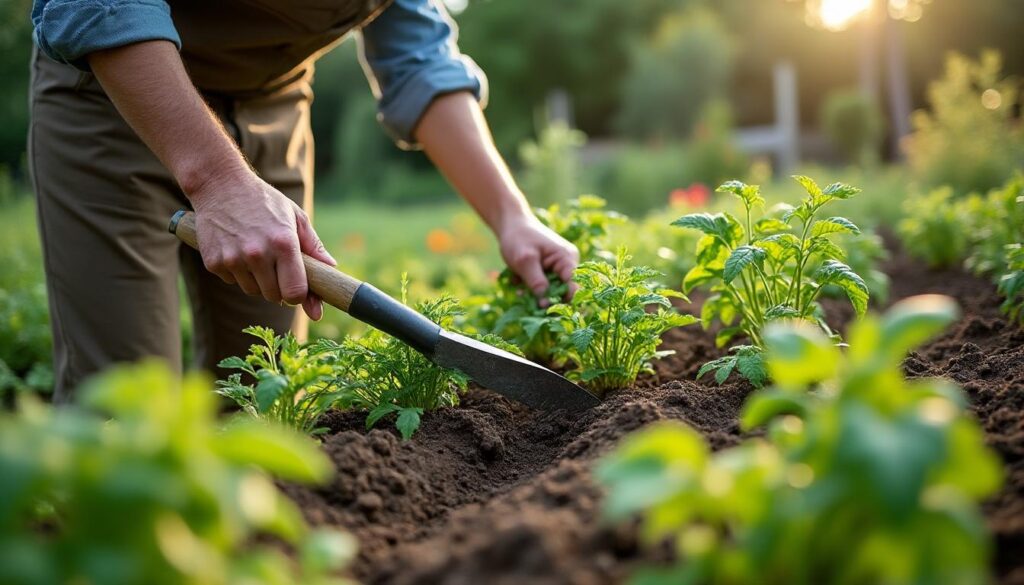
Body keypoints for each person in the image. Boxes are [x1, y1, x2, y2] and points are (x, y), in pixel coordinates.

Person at [29, 0, 579, 404]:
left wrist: (512, 217)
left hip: (272, 103)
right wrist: (217, 181)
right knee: (125, 404)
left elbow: (418, 56)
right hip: (116, 89)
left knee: (267, 392)